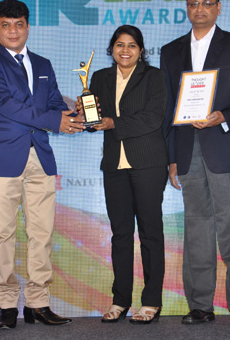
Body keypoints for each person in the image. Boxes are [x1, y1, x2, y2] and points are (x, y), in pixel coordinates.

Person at [0, 0, 85, 329]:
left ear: (28, 26)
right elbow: (7, 105)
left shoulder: (43, 63)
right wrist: (54, 119)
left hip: (41, 158)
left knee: (42, 233)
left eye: (19, 24)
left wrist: (77, 113)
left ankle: (38, 303)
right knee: (2, 235)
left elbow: (54, 104)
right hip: (2, 159)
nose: (13, 31)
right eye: (6, 25)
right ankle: (7, 304)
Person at [160, 0, 230, 326]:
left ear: (218, 7)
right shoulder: (170, 51)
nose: (199, 9)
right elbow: (168, 108)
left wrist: (223, 117)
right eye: (193, 4)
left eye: (206, 3)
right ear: (186, 8)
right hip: (188, 151)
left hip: (226, 146)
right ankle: (200, 305)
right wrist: (172, 157)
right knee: (197, 230)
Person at [84, 25, 168, 324]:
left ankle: (151, 301)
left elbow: (153, 118)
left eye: (132, 45)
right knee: (120, 235)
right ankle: (120, 299)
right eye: (120, 45)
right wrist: (87, 117)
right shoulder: (100, 77)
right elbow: (95, 119)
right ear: (112, 49)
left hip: (148, 163)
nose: (125, 50)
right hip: (114, 165)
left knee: (150, 233)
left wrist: (112, 123)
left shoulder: (155, 76)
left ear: (141, 50)